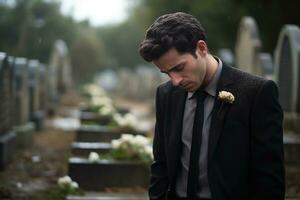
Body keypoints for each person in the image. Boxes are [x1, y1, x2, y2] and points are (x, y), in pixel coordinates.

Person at [139, 12, 285, 200]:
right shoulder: (166, 94)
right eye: (167, 73)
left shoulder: (256, 93)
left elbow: (269, 179)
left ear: (201, 48)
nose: (175, 81)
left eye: (178, 68)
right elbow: (161, 164)